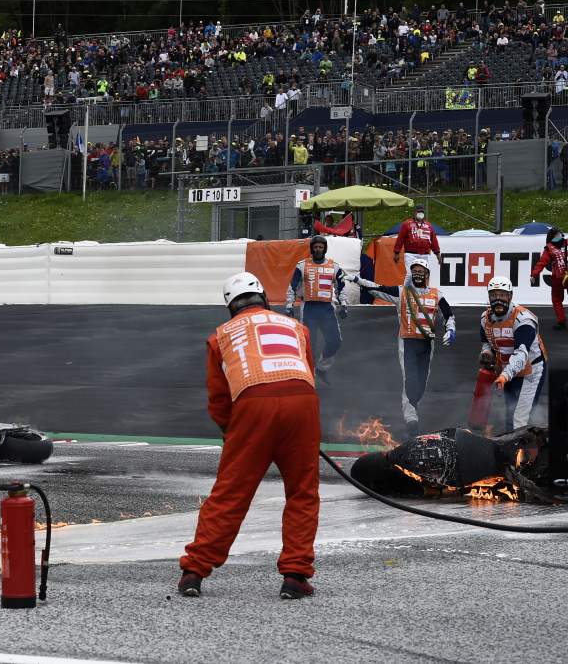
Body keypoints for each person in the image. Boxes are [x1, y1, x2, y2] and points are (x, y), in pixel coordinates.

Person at [179, 272, 321, 601]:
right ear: (263, 298)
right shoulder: (297, 327)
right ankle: (295, 576)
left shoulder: (221, 336)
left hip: (252, 405)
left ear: (230, 306)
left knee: (230, 493)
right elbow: (308, 373)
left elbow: (218, 399)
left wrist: (234, 435)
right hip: (302, 403)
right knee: (302, 492)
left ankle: (194, 571)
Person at [347, 259, 456, 437]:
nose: (418, 274)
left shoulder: (437, 294)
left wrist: (451, 330)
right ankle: (411, 421)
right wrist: (357, 280)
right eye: (415, 270)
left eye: (422, 271)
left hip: (427, 344)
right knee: (409, 380)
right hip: (407, 343)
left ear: (427, 275)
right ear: (410, 274)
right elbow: (377, 288)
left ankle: (413, 407)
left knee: (421, 383)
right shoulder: (401, 292)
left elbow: (449, 315)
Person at [479, 277, 547, 430]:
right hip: (507, 370)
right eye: (494, 295)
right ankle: (514, 451)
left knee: (520, 420)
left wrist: (504, 376)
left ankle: (530, 451)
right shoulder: (485, 319)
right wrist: (486, 353)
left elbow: (522, 354)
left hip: (531, 371)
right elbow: (486, 342)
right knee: (510, 413)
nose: (498, 300)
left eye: (502, 295)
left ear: (510, 296)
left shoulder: (524, 319)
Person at [284, 236, 349, 382]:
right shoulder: (301, 265)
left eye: (321, 247)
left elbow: (342, 287)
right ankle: (308, 378)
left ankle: (322, 367)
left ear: (324, 248)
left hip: (327, 308)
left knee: (335, 341)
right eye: (315, 247)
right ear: (312, 248)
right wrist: (289, 305)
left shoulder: (335, 266)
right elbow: (292, 286)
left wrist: (344, 304)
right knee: (309, 345)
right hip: (308, 309)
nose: (318, 249)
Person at [530, 228, 567, 330]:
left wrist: (534, 274)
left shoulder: (549, 248)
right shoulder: (566, 242)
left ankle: (561, 321)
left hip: (558, 277)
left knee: (556, 299)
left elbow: (542, 263)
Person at [393, 205, 442, 280]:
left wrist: (438, 254)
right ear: (414, 212)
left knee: (424, 274)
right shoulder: (407, 224)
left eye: (422, 212)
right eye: (418, 211)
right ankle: (407, 290)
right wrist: (396, 252)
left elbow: (433, 240)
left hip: (424, 254)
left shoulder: (428, 225)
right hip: (410, 254)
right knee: (410, 274)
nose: (420, 213)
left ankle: (423, 291)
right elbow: (400, 239)